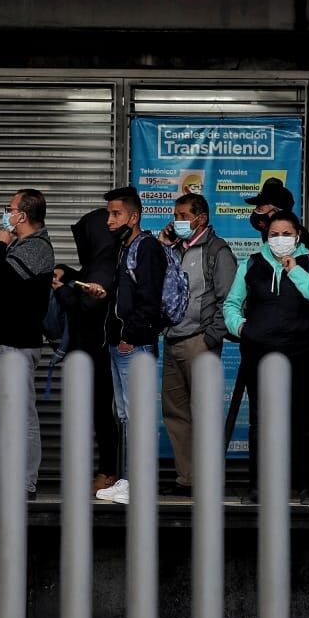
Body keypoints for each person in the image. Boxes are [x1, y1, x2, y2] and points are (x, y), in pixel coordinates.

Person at [223, 211, 309, 505]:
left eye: (287, 234)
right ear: (266, 236)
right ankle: (258, 486)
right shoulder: (251, 263)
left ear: (298, 236)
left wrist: (295, 270)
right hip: (260, 351)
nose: (280, 239)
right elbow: (232, 303)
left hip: (303, 351)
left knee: (304, 419)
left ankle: (306, 486)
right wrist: (241, 327)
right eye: (275, 234)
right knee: (261, 421)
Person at [157, 193, 235, 496]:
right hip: (173, 339)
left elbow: (228, 299)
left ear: (200, 218)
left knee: (205, 413)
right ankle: (186, 479)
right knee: (176, 414)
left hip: (199, 342)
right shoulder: (174, 248)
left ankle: (210, 481)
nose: (177, 221)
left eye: (182, 216)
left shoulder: (217, 251)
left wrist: (210, 336)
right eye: (175, 215)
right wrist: (165, 244)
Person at [94, 186, 167, 506]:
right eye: (109, 214)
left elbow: (150, 299)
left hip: (133, 346)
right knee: (127, 415)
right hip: (120, 343)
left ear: (133, 217)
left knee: (137, 415)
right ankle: (130, 479)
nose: (109, 220)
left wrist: (131, 336)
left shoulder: (146, 246)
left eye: (116, 214)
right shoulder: (124, 248)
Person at [0, 189, 55, 501]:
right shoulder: (23, 245)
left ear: (22, 216)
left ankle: (24, 483)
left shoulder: (36, 246)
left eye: (9, 208)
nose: (6, 213)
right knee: (5, 415)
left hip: (17, 342)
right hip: (3, 341)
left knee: (21, 415)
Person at [53, 208, 121, 495]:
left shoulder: (104, 265)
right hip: (92, 352)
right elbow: (87, 282)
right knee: (96, 414)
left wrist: (61, 290)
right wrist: (69, 274)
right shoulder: (102, 261)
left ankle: (107, 473)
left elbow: (87, 306)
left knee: (102, 415)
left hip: (97, 353)